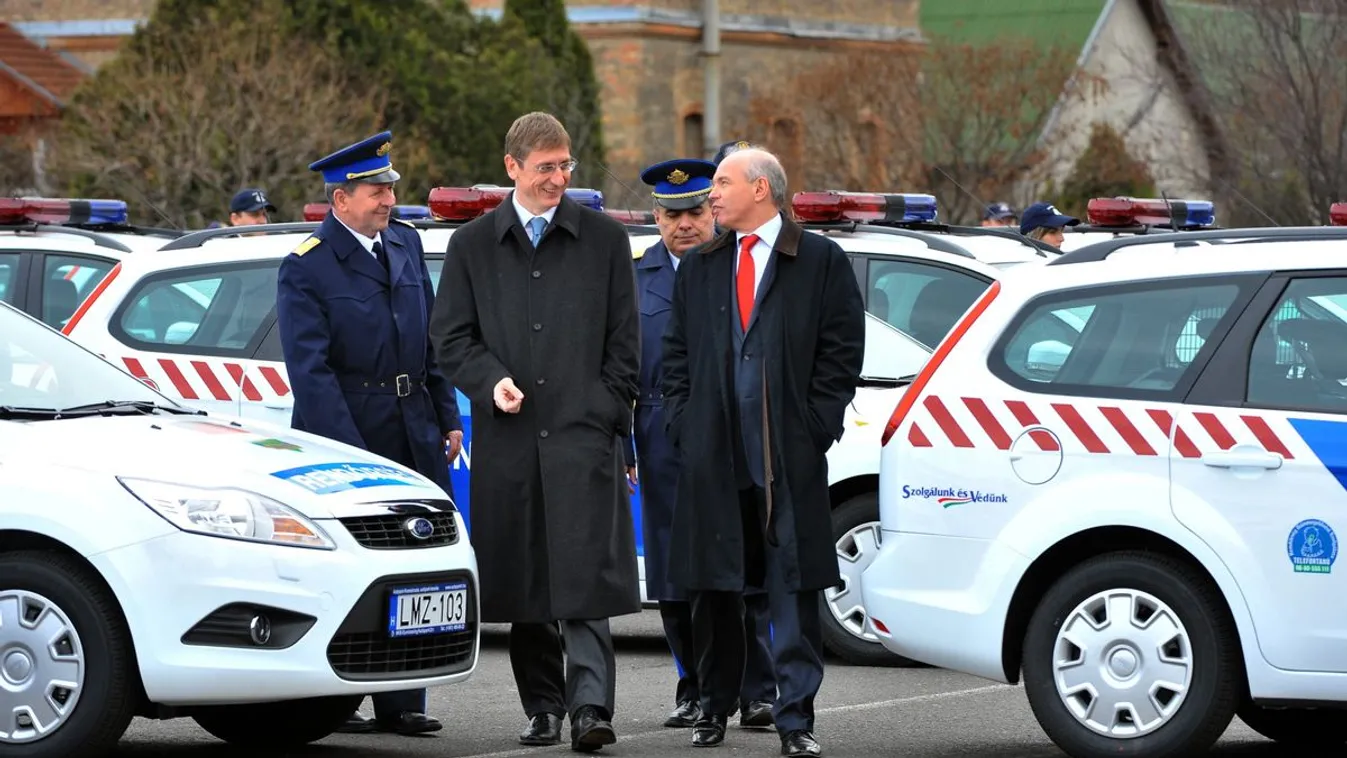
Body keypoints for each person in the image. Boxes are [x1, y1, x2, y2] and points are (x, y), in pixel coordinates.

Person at [429, 111, 641, 753]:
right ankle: (543, 708)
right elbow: (451, 338)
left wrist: (604, 408)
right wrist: (490, 381)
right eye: (545, 167)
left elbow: (625, 343)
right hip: (511, 440)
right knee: (526, 582)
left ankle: (590, 708)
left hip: (583, 437)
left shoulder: (604, 241)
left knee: (584, 578)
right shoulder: (472, 246)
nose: (558, 178)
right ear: (512, 167)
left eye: (565, 165)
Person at [662, 147, 865, 757]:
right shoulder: (701, 266)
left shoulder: (818, 260)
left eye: (722, 183)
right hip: (714, 458)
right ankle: (713, 708)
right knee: (715, 590)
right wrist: (686, 427)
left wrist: (813, 429)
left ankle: (795, 719)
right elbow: (676, 356)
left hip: (787, 461)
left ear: (760, 189)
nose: (712, 194)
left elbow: (840, 353)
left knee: (793, 592)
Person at [275, 131, 462, 737]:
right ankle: (342, 696)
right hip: (349, 432)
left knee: (420, 561)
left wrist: (447, 415)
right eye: (377, 191)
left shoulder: (404, 243)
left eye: (390, 189)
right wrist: (347, 453)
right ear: (341, 199)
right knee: (352, 566)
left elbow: (431, 339)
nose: (389, 200)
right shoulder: (308, 264)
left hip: (415, 426)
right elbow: (311, 372)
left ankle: (405, 698)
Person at [623, 156, 777, 733]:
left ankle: (757, 691)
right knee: (673, 573)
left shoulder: (737, 265)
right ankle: (693, 687)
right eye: (671, 215)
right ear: (656, 217)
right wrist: (624, 445)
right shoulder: (634, 277)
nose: (684, 224)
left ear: (712, 212)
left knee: (743, 569)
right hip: (659, 433)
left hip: (732, 434)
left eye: (693, 212)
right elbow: (619, 365)